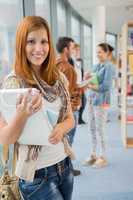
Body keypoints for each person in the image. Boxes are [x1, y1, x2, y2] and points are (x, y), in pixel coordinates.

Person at [0, 16, 75, 200]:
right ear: (21, 45)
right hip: (36, 176)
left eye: (44, 42)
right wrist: (22, 115)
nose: (39, 49)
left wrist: (61, 129)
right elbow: (5, 138)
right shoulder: (14, 83)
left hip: (64, 165)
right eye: (31, 42)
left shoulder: (58, 78)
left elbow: (70, 119)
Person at [83, 43, 113, 168]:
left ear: (106, 53)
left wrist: (90, 86)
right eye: (97, 52)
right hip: (91, 99)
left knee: (100, 129)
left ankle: (103, 156)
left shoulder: (109, 67)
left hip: (101, 101)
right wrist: (87, 78)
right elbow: (91, 80)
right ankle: (94, 153)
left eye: (100, 52)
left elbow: (105, 86)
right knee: (91, 128)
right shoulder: (96, 66)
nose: (98, 54)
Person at [56, 37, 83, 176]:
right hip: (69, 111)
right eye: (72, 48)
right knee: (67, 141)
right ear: (66, 49)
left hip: (59, 111)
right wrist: (80, 88)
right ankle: (66, 170)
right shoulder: (67, 68)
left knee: (63, 140)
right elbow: (68, 92)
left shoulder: (55, 64)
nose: (73, 50)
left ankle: (64, 169)